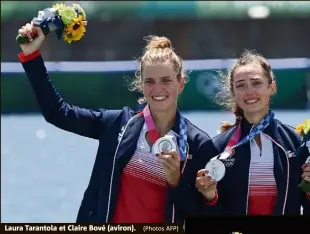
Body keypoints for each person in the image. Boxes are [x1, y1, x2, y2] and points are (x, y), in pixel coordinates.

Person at [17, 23, 213, 223]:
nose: (158, 89)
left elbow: (201, 213)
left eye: (166, 80)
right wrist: (32, 56)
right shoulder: (117, 124)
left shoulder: (198, 143)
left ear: (180, 83)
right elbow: (57, 113)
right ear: (141, 84)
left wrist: (175, 182)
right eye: (149, 81)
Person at [195, 49, 310, 215]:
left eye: (256, 83)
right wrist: (210, 198)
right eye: (241, 86)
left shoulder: (298, 143)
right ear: (233, 93)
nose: (249, 91)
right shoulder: (218, 148)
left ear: (271, 87)